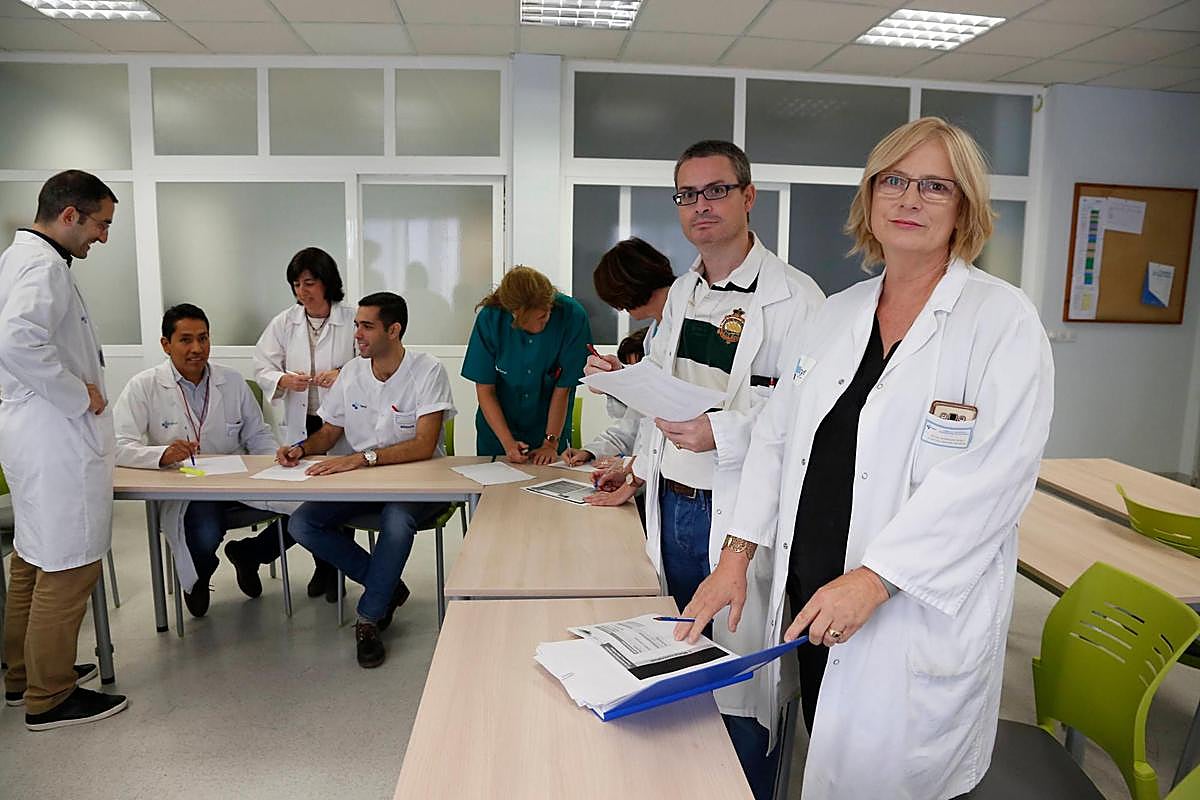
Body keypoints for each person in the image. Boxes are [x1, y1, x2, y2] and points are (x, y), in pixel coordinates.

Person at [678, 118, 1054, 799]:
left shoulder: (1002, 321)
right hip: (813, 594)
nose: (909, 199)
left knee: (887, 776)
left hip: (904, 612)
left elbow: (992, 481)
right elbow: (777, 441)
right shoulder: (838, 314)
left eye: (935, 186)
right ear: (871, 197)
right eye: (894, 181)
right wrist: (735, 556)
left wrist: (877, 580)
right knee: (824, 743)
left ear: (964, 205)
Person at [586, 141, 824, 797]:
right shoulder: (684, 294)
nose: (701, 206)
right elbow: (663, 394)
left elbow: (804, 418)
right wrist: (637, 467)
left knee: (741, 685)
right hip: (673, 507)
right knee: (679, 662)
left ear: (748, 197)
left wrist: (721, 429)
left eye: (716, 190)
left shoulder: (797, 301)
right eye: (687, 195)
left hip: (740, 516)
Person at [0, 170, 129, 730]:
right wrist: (81, 393)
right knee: (71, 566)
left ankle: (21, 675)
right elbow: (16, 340)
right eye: (101, 223)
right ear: (70, 214)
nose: (103, 236)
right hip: (55, 435)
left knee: (33, 559)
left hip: (31, 435)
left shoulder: (19, 258)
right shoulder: (44, 266)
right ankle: (49, 696)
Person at [283, 292, 456, 669]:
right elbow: (330, 432)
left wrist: (362, 458)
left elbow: (424, 444)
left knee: (396, 521)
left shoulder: (428, 370)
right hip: (364, 482)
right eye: (356, 326)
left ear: (393, 330)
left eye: (366, 326)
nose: (357, 335)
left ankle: (368, 618)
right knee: (302, 523)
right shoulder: (352, 373)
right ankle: (387, 587)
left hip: (421, 483)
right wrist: (301, 448)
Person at [114, 304, 298, 618]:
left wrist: (275, 459)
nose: (197, 348)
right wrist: (161, 455)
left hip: (238, 481)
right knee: (205, 531)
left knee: (309, 510)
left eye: (203, 338)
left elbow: (257, 434)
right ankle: (200, 573)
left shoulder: (232, 381)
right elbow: (118, 445)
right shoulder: (144, 386)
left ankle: (251, 554)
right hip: (189, 489)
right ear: (166, 344)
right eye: (185, 340)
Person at [254, 247, 356, 601]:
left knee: (342, 495)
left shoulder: (351, 319)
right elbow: (262, 364)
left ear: (327, 282)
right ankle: (324, 566)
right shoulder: (285, 322)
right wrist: (282, 379)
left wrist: (341, 373)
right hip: (302, 421)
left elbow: (369, 361)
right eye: (297, 284)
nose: (302, 291)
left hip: (342, 424)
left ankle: (335, 570)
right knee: (308, 499)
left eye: (309, 283)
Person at [461, 266, 591, 465]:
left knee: (551, 480)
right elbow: (485, 390)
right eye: (541, 317)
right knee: (496, 482)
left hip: (550, 428)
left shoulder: (572, 316)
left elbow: (563, 389)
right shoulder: (491, 319)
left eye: (548, 311)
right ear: (516, 314)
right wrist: (508, 443)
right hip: (497, 433)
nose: (548, 318)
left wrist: (550, 443)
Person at [563, 237, 674, 468]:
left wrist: (628, 465)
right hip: (651, 467)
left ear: (629, 287)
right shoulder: (655, 333)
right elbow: (636, 422)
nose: (619, 308)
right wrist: (618, 377)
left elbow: (665, 410)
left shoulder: (686, 326)